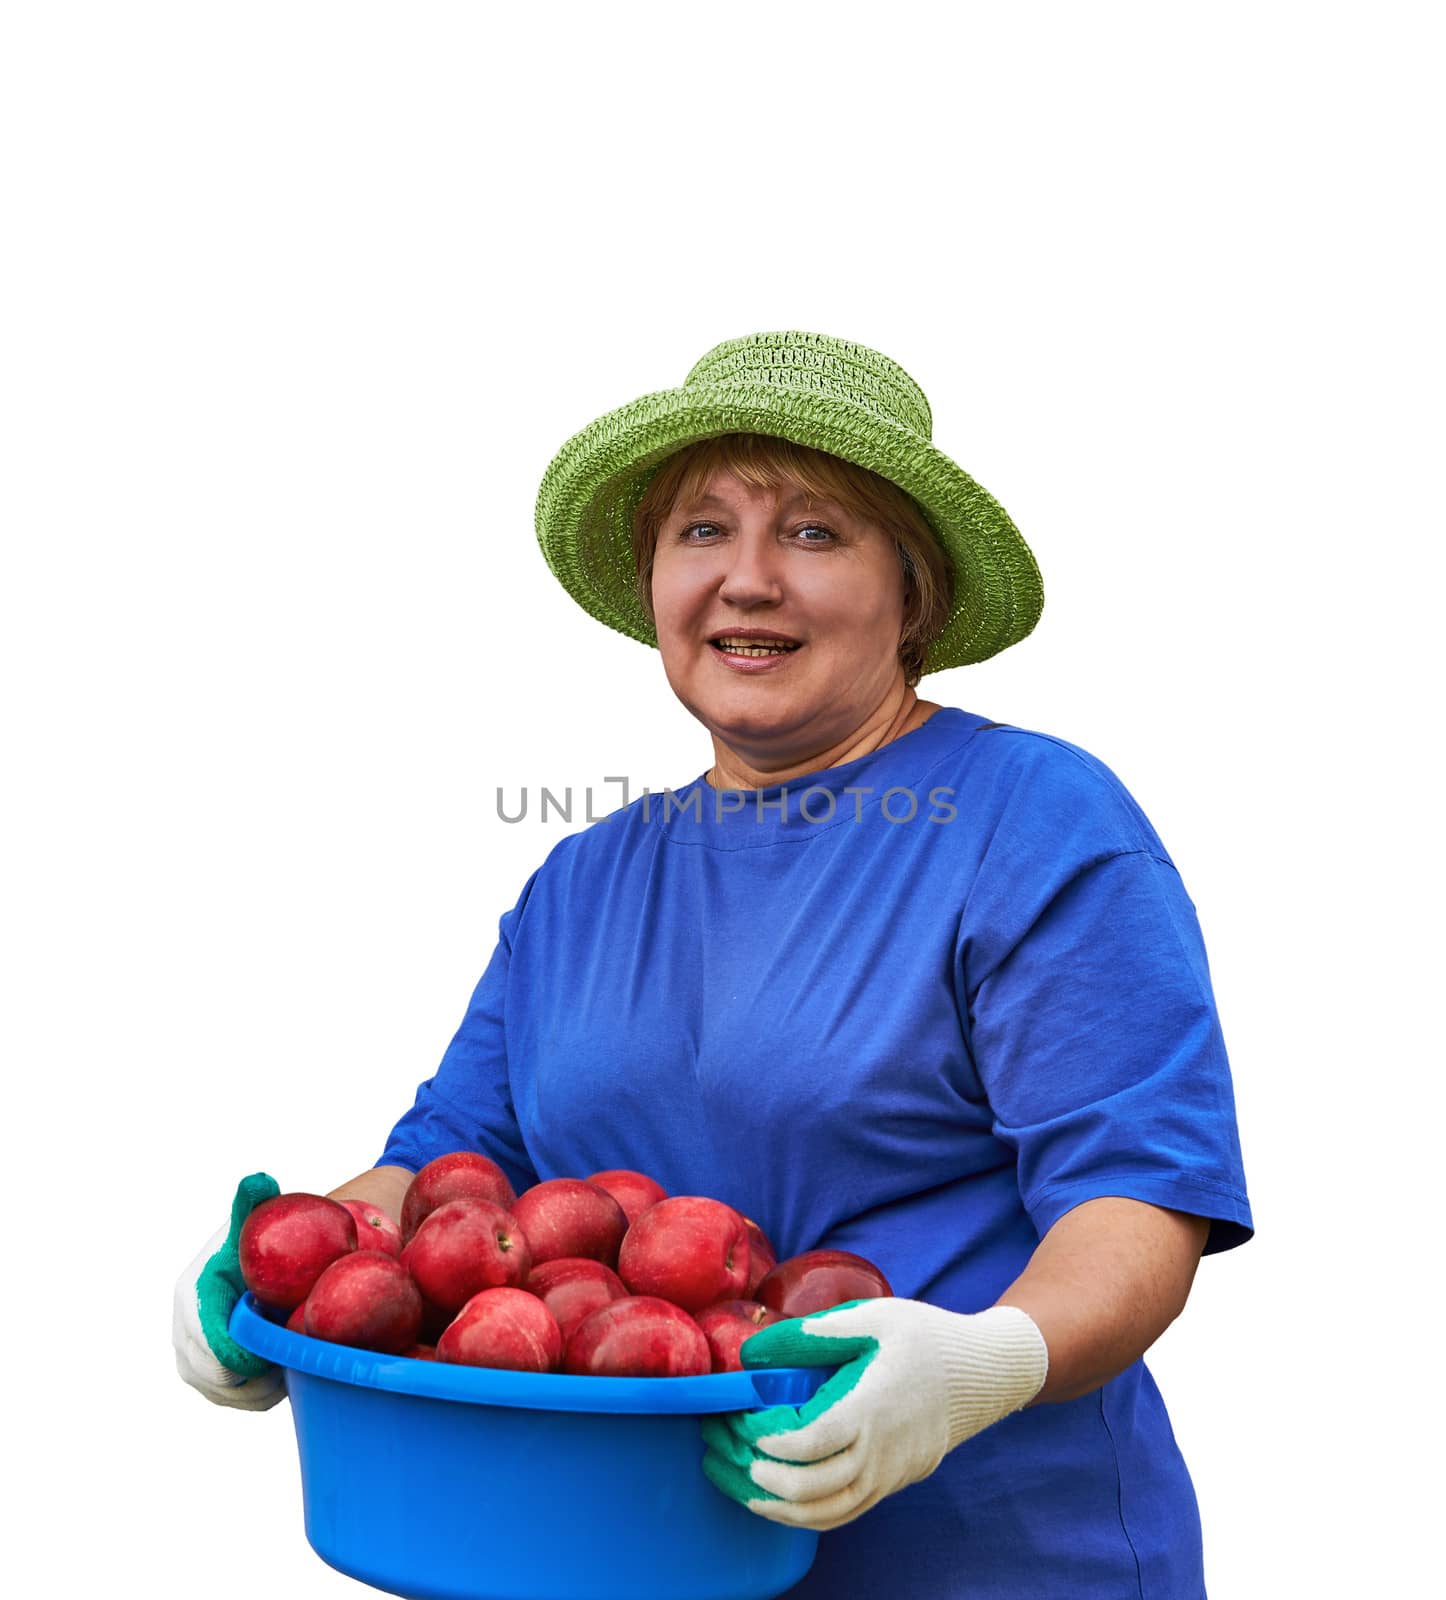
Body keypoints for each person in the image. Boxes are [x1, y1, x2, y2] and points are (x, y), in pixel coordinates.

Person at [174, 330, 1253, 1598]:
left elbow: (1137, 1202)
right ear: (654, 588)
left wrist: (980, 1363)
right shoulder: (580, 880)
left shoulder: (1034, 818)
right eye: (702, 532)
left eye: (813, 534)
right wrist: (289, 1267)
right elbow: (453, 1159)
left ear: (913, 597)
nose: (747, 581)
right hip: (613, 1556)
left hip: (986, 1560)